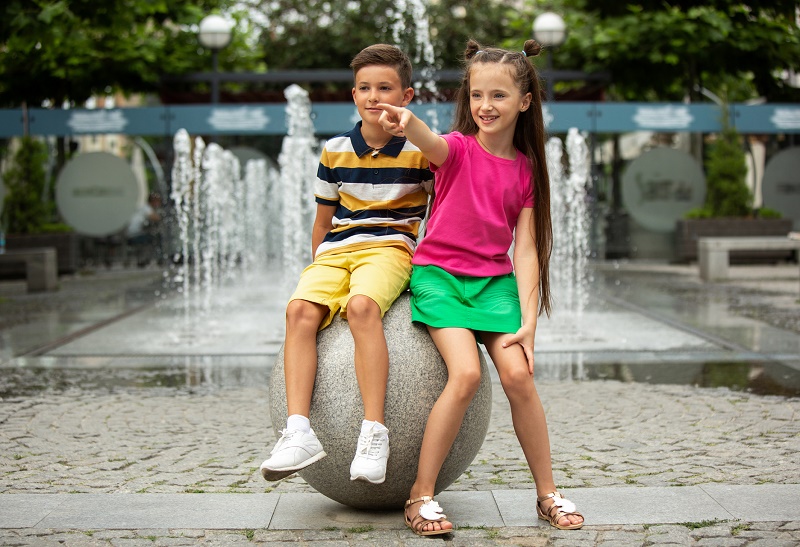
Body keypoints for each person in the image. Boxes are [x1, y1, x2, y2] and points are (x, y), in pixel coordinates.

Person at [376, 39, 584, 535]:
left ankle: (546, 493)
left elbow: (528, 251)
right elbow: (432, 142)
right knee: (466, 375)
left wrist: (529, 321)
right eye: (475, 96)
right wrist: (407, 122)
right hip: (440, 279)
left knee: (519, 376)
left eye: (498, 97)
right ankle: (420, 496)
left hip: (494, 284)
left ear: (526, 101)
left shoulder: (528, 170)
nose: (484, 107)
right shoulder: (458, 149)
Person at [259, 44, 433, 485]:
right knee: (299, 310)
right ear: (353, 95)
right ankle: (298, 431)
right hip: (338, 249)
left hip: (391, 249)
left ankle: (374, 430)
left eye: (385, 88)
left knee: (361, 308)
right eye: (365, 88)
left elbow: (443, 211)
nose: (374, 97)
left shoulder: (421, 149)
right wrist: (318, 267)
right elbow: (322, 223)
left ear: (407, 96)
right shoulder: (335, 150)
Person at [126, 192, 162, 266]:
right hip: (135, 234)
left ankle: (146, 258)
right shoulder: (146, 207)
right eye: (158, 201)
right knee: (158, 237)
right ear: (153, 201)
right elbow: (156, 218)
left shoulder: (141, 206)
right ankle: (158, 258)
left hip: (130, 233)